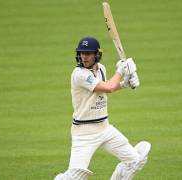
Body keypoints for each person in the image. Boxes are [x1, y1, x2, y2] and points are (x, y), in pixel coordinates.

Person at [55, 37, 151, 180]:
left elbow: (104, 88)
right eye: (82, 53)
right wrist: (121, 71)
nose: (84, 57)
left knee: (136, 160)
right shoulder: (79, 74)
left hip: (105, 129)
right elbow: (109, 87)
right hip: (84, 135)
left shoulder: (101, 69)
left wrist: (125, 84)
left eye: (88, 53)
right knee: (73, 177)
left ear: (96, 54)